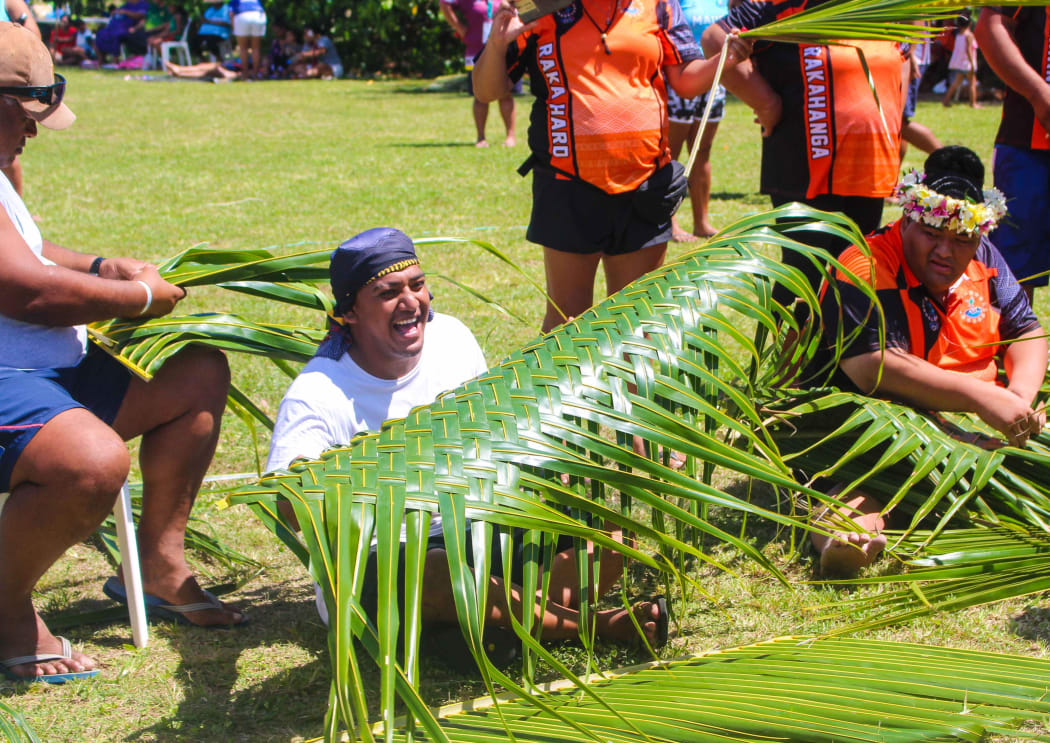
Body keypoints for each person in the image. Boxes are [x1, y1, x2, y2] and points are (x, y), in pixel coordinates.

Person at [267, 227, 668, 647]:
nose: (410, 303)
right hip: (385, 563)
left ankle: (490, 624)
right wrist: (368, 485)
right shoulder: (318, 394)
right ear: (349, 312)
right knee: (437, 572)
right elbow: (288, 508)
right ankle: (594, 627)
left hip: (473, 526)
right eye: (388, 293)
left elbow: (495, 437)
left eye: (417, 286)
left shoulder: (451, 338)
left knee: (608, 534)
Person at [0, 22, 242, 684]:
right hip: (5, 378)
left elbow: (32, 252)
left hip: (51, 368)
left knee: (195, 373)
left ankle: (161, 562)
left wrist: (104, 265)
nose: (37, 131)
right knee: (92, 463)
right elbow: (25, 290)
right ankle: (4, 608)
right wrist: (134, 297)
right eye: (29, 114)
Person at [809, 146, 1047, 575]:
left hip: (976, 426)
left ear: (978, 237)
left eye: (961, 240)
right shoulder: (864, 262)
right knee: (868, 484)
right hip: (883, 423)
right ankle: (848, 537)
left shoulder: (985, 257)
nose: (945, 251)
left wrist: (1018, 399)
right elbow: (870, 364)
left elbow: (1027, 331)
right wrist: (981, 398)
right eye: (932, 233)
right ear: (908, 219)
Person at [473, 0, 752, 334]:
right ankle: (571, 389)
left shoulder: (658, 5)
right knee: (566, 327)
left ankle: (631, 390)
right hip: (568, 184)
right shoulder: (540, 7)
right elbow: (487, 91)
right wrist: (498, 42)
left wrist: (726, 58)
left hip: (646, 183)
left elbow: (685, 80)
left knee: (637, 326)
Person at [703, 2, 905, 304]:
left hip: (867, 168)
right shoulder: (781, 5)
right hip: (803, 166)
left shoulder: (878, 6)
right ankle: (791, 351)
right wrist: (765, 102)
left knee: (856, 275)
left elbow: (900, 63)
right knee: (802, 278)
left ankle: (845, 351)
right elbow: (714, 39)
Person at [976, 6, 1050, 302]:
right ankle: (1015, 347)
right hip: (1030, 142)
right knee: (1014, 270)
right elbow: (991, 26)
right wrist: (1039, 94)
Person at [666, 0, 734, 241]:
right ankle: (669, 223)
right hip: (680, 77)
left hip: (714, 79)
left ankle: (701, 223)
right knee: (669, 155)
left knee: (703, 150)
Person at [440, 0, 518, 147]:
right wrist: (460, 28)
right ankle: (481, 138)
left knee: (506, 93)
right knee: (480, 95)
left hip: (505, 49)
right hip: (476, 50)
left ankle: (510, 136)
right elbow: (444, 3)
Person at [900, 22, 942, 157]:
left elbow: (916, 17)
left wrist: (911, 54)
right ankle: (894, 174)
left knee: (898, 123)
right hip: (902, 58)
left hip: (909, 59)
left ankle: (947, 160)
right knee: (898, 126)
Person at [942, 15, 980, 109]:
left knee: (956, 83)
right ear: (970, 24)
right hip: (966, 63)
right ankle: (973, 103)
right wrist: (972, 63)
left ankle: (945, 101)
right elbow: (969, 50)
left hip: (960, 64)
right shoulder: (969, 35)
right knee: (972, 83)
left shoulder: (959, 35)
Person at [229, 0, 266, 80]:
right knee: (256, 48)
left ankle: (245, 75)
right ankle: (256, 75)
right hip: (258, 15)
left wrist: (234, 29)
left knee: (243, 48)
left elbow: (231, 13)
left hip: (241, 16)